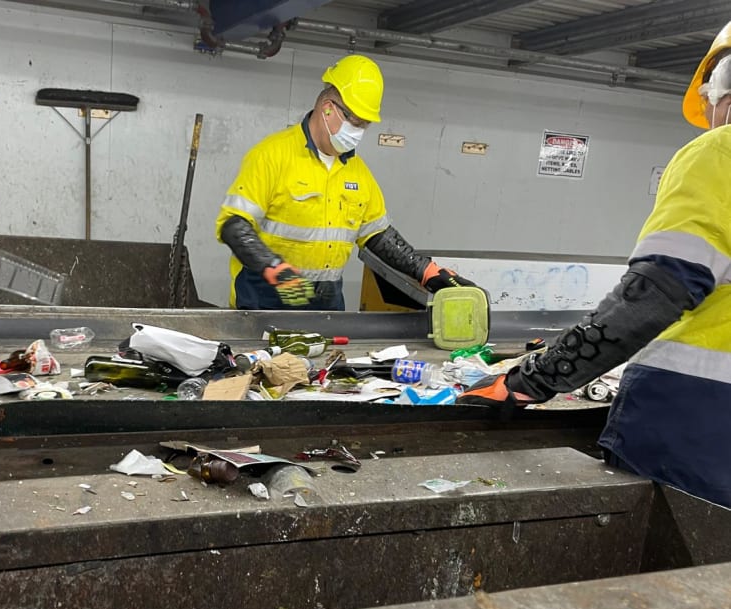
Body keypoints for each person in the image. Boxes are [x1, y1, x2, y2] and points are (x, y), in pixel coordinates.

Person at [458, 21, 731, 508]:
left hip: (694, 431)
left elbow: (654, 295)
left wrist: (529, 380)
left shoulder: (719, 151)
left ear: (719, 92)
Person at [215, 54, 478, 311]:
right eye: (354, 121)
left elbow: (377, 235)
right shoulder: (271, 156)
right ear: (327, 108)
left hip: (327, 305)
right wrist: (272, 266)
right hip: (265, 300)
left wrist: (427, 271)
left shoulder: (358, 173)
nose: (357, 132)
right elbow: (234, 225)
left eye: (364, 125)